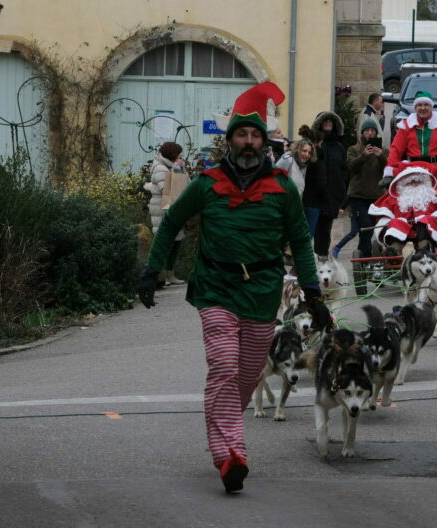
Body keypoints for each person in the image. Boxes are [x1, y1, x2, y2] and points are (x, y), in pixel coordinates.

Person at [136, 82, 331, 494]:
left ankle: (224, 438)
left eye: (254, 135)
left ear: (264, 141)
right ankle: (230, 455)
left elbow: (300, 241)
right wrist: (152, 268)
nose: (247, 141)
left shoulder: (282, 189)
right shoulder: (207, 183)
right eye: (240, 135)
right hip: (216, 287)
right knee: (224, 366)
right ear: (230, 141)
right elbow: (170, 222)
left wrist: (313, 294)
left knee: (244, 377)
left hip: (262, 291)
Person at [367, 162, 437, 255]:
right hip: (404, 231)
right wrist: (387, 222)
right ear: (404, 184)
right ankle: (395, 251)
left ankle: (424, 248)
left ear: (425, 182)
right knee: (395, 222)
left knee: (425, 220)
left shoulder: (434, 197)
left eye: (418, 181)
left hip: (428, 232)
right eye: (410, 182)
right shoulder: (395, 199)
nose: (414, 184)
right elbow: (384, 214)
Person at [379, 91, 437, 189]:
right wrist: (389, 172)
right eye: (419, 105)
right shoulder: (406, 126)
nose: (422, 108)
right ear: (415, 108)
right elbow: (396, 150)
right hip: (413, 173)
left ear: (431, 106)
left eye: (426, 105)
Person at [334, 119, 387, 259]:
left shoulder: (382, 150)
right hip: (358, 196)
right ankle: (366, 255)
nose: (370, 133)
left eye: (373, 131)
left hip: (376, 196)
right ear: (362, 133)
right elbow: (351, 166)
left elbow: (388, 169)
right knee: (366, 225)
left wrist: (381, 156)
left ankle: (362, 253)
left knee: (372, 228)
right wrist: (363, 155)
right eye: (367, 131)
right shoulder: (354, 149)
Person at [147, 142, 189, 286]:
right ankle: (161, 275)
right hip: (162, 211)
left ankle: (170, 274)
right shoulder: (160, 167)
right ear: (172, 155)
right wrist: (177, 171)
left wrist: (180, 169)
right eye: (179, 154)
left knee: (176, 242)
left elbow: (187, 185)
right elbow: (166, 188)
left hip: (175, 208)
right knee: (164, 243)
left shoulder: (175, 167)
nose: (181, 157)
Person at [312, 111, 348, 258]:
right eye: (325, 121)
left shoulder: (339, 147)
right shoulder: (314, 144)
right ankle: (311, 258)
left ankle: (323, 256)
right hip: (315, 193)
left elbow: (344, 170)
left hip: (333, 193)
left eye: (330, 122)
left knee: (326, 228)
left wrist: (341, 190)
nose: (328, 124)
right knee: (313, 227)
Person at [292, 126, 330, 238]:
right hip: (313, 203)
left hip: (299, 201)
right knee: (307, 236)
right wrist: (327, 201)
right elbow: (321, 184)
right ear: (318, 143)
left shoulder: (300, 160)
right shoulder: (317, 160)